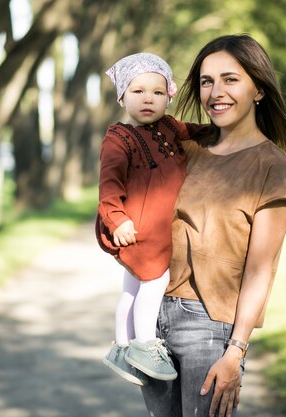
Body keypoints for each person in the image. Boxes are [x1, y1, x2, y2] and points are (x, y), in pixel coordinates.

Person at [140, 34, 286, 417]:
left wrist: (236, 350)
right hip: (154, 318)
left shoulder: (272, 164)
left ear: (259, 89)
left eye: (230, 79)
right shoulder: (188, 146)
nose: (216, 92)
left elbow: (260, 268)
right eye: (206, 81)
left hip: (209, 327)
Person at [95, 52, 204, 387]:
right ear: (123, 97)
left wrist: (220, 131)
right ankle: (144, 345)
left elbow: (195, 130)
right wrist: (118, 220)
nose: (148, 98)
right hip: (137, 228)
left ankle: (122, 346)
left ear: (168, 97)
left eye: (157, 92)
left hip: (156, 225)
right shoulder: (119, 138)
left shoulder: (170, 127)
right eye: (138, 91)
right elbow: (109, 185)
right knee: (154, 282)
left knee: (132, 287)